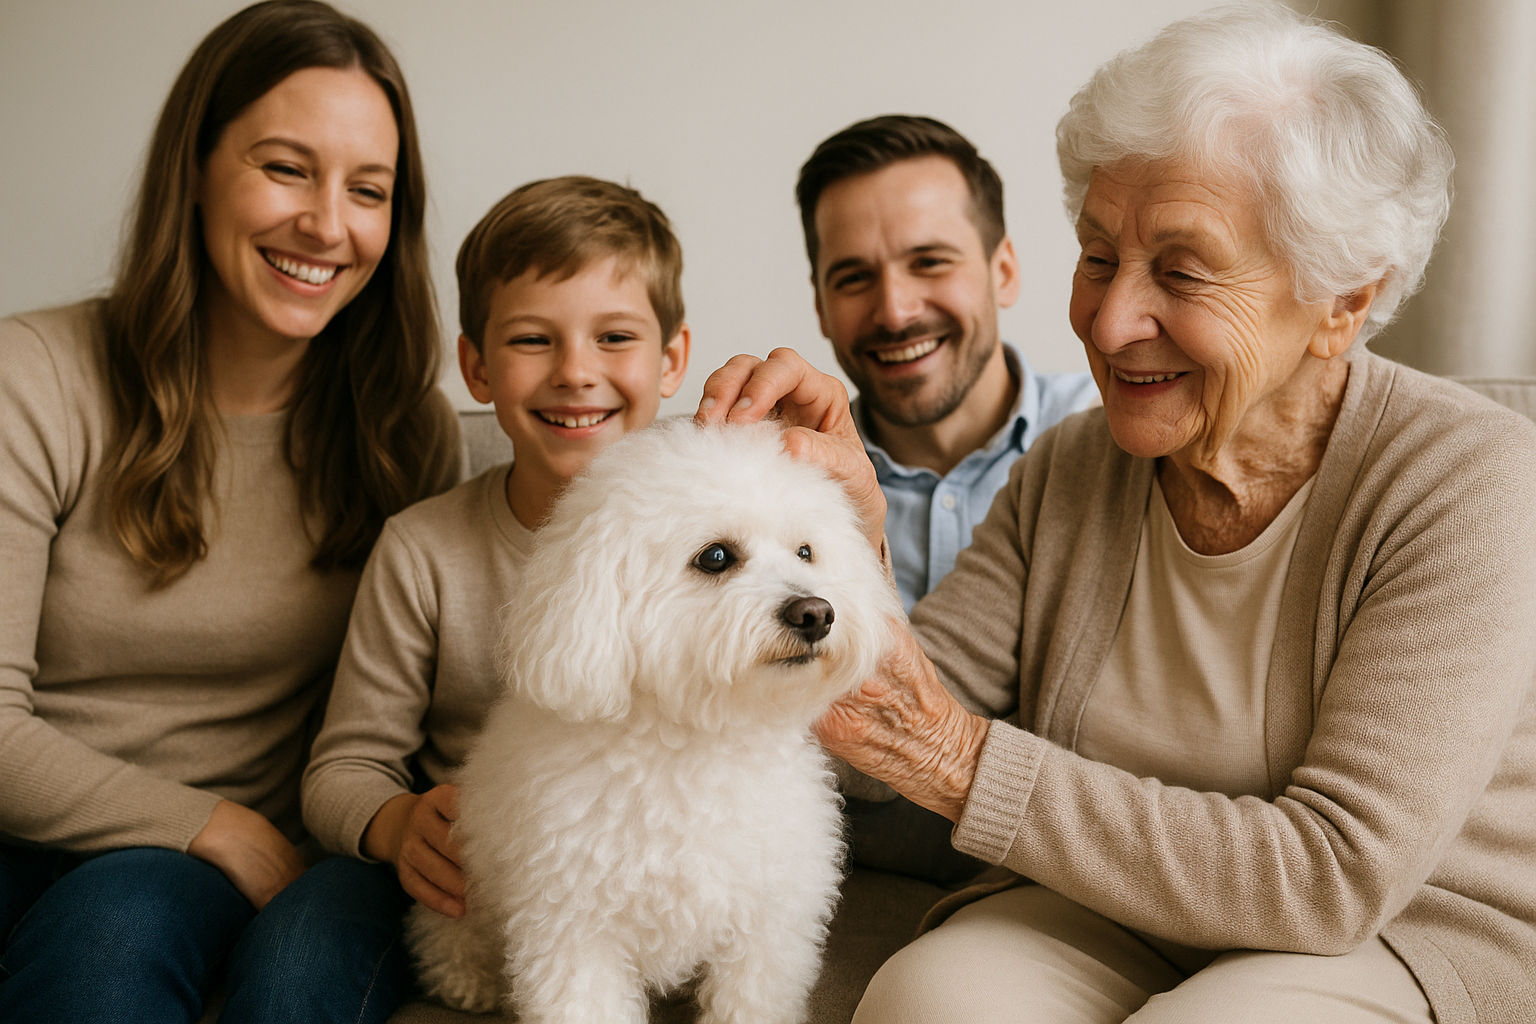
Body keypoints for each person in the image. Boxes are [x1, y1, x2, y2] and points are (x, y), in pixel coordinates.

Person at [699, 5, 1536, 1022]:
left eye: (1179, 271)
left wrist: (960, 758)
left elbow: (1332, 875)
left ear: (1342, 303)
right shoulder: (1073, 466)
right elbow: (873, 765)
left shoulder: (1470, 479)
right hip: (1105, 909)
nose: (1107, 318)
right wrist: (837, 535)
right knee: (926, 1001)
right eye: (1099, 255)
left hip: (1388, 930)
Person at [0, 3, 460, 1022]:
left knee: (109, 941)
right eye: (286, 168)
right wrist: (211, 822)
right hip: (63, 830)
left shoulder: (400, 428)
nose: (328, 224)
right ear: (195, 169)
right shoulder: (33, 377)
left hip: (171, 876)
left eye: (368, 190)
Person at [298, 176, 691, 1019]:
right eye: (532, 340)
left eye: (614, 336)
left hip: (668, 865)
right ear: (476, 367)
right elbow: (342, 767)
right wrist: (399, 823)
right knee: (295, 960)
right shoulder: (423, 549)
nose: (576, 373)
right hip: (478, 876)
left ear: (672, 361)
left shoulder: (729, 540)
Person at [795, 115, 1097, 614]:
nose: (894, 311)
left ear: (1003, 272)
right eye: (853, 277)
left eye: (929, 262)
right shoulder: (787, 482)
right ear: (820, 307)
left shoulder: (1119, 441)